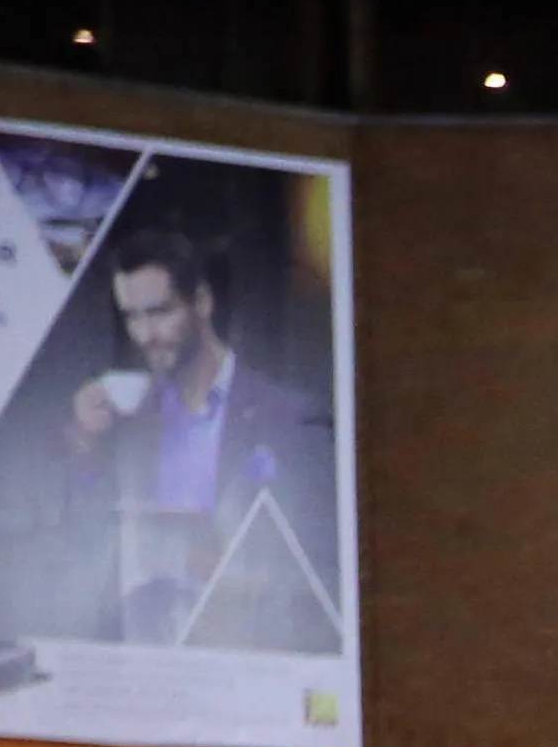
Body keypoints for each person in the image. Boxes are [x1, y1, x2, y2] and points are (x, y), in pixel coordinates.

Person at [62, 225, 345, 650]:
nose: (144, 334)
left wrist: (235, 572)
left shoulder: (291, 419)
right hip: (143, 659)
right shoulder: (128, 418)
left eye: (159, 312)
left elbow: (319, 577)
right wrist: (86, 444)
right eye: (132, 317)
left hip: (245, 659)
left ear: (203, 302)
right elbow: (88, 548)